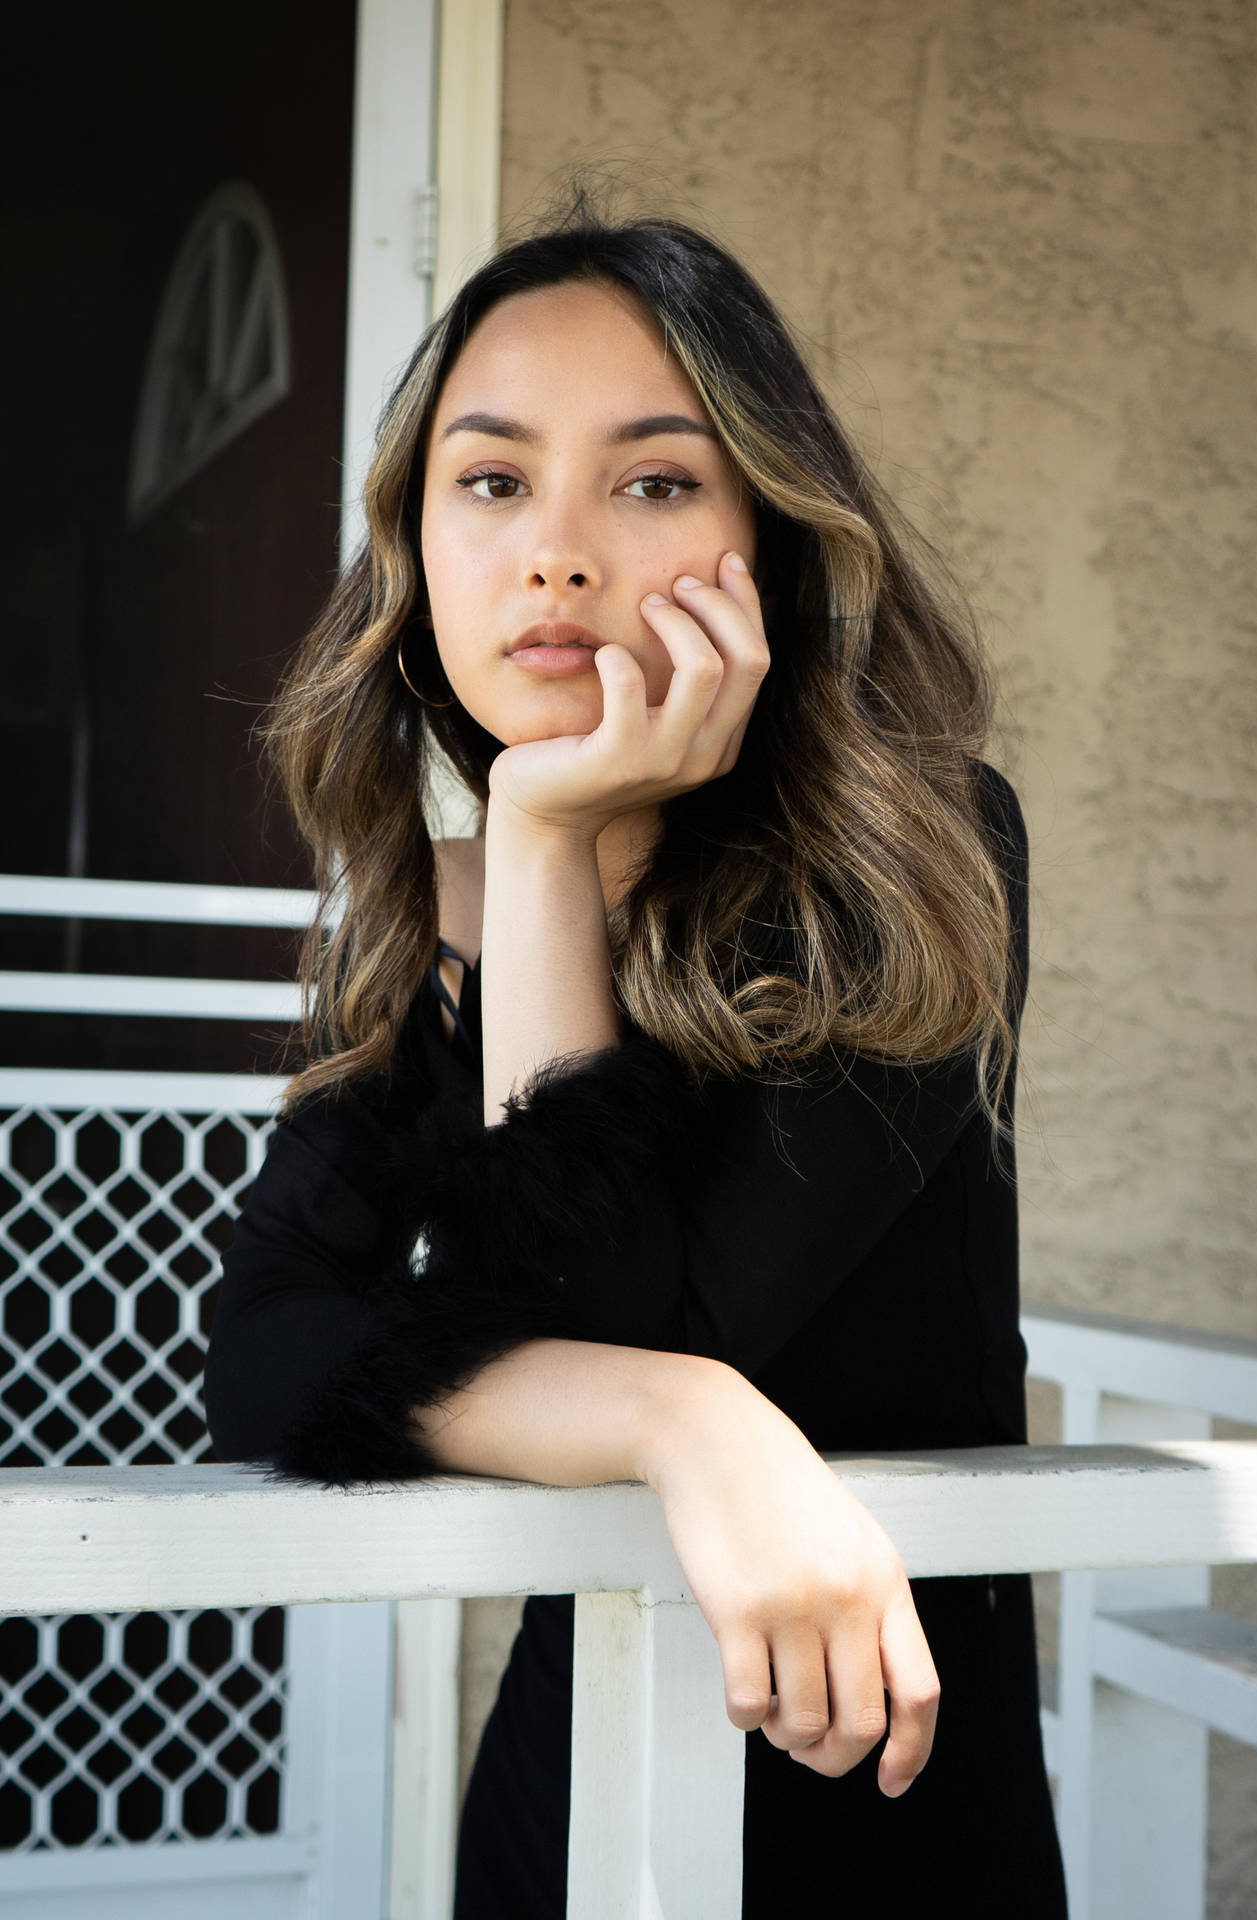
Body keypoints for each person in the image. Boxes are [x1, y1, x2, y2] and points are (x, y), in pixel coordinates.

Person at [202, 194, 1068, 1918]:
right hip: (570, 1737)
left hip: (875, 1741)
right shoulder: (404, 912)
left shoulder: (919, 848)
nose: (559, 552)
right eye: (495, 479)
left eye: (655, 480)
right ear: (418, 546)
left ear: (773, 536)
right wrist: (680, 1422)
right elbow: (267, 1344)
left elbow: (635, 1310)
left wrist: (539, 843)